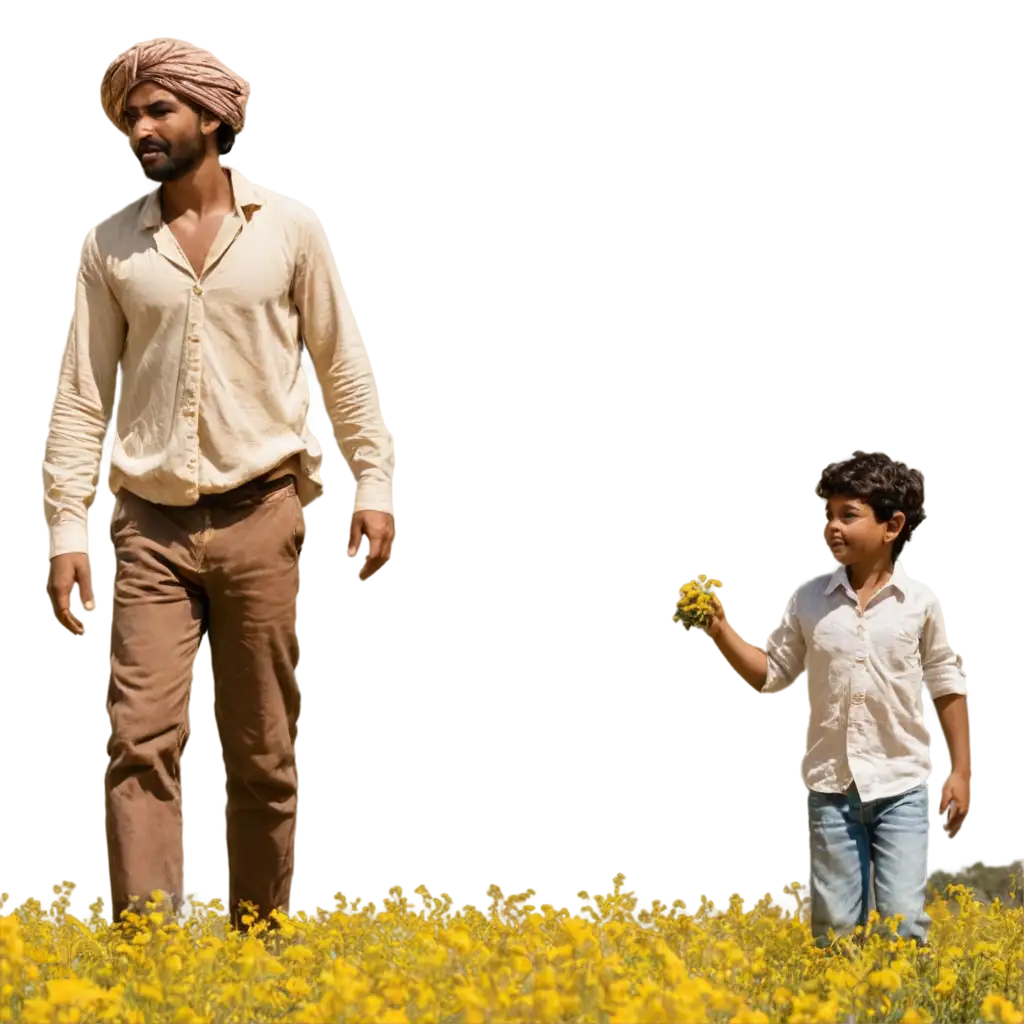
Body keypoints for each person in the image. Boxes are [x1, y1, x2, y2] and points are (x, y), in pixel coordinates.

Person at [41, 36, 396, 930]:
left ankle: (259, 939)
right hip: (149, 526)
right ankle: (151, 951)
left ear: (214, 117)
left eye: (159, 109)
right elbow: (84, 392)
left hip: (261, 513)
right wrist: (62, 530)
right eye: (133, 112)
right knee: (138, 743)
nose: (141, 126)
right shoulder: (109, 243)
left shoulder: (290, 227)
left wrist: (373, 482)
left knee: (261, 751)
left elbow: (340, 361)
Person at [707, 453, 969, 948]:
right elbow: (772, 672)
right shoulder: (808, 598)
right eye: (828, 515)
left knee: (903, 922)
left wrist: (960, 771)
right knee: (835, 929)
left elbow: (945, 680)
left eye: (848, 515)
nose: (832, 527)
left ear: (892, 526)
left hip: (902, 786)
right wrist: (719, 631)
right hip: (831, 788)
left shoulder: (923, 602)